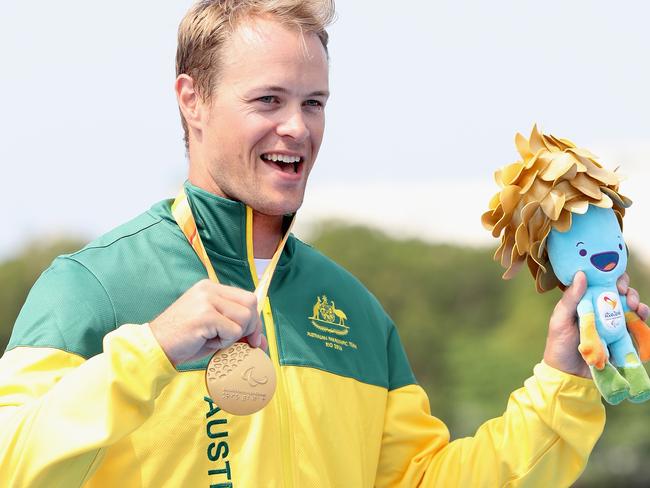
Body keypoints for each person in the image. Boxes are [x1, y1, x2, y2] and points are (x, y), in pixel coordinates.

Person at [1, 1, 648, 486]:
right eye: (268, 99)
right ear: (191, 100)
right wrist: (150, 351)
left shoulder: (355, 311)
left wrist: (564, 378)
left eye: (314, 102)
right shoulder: (93, 287)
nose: (297, 128)